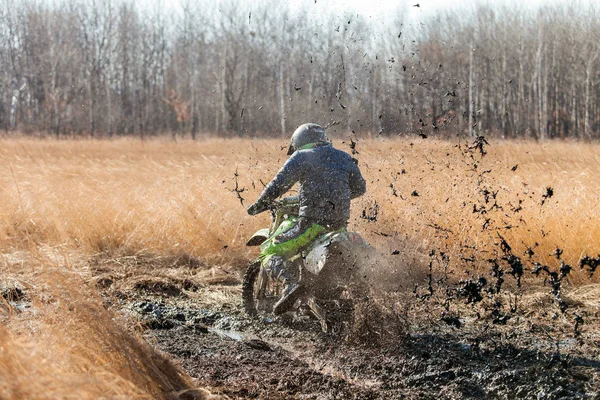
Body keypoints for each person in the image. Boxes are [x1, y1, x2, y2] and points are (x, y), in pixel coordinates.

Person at [247, 123, 366, 314]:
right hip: (338, 227)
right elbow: (360, 188)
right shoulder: (344, 157)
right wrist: (332, 199)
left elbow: (278, 184)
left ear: (299, 142)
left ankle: (290, 284)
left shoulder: (302, 156)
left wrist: (260, 204)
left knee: (269, 249)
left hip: (311, 225)